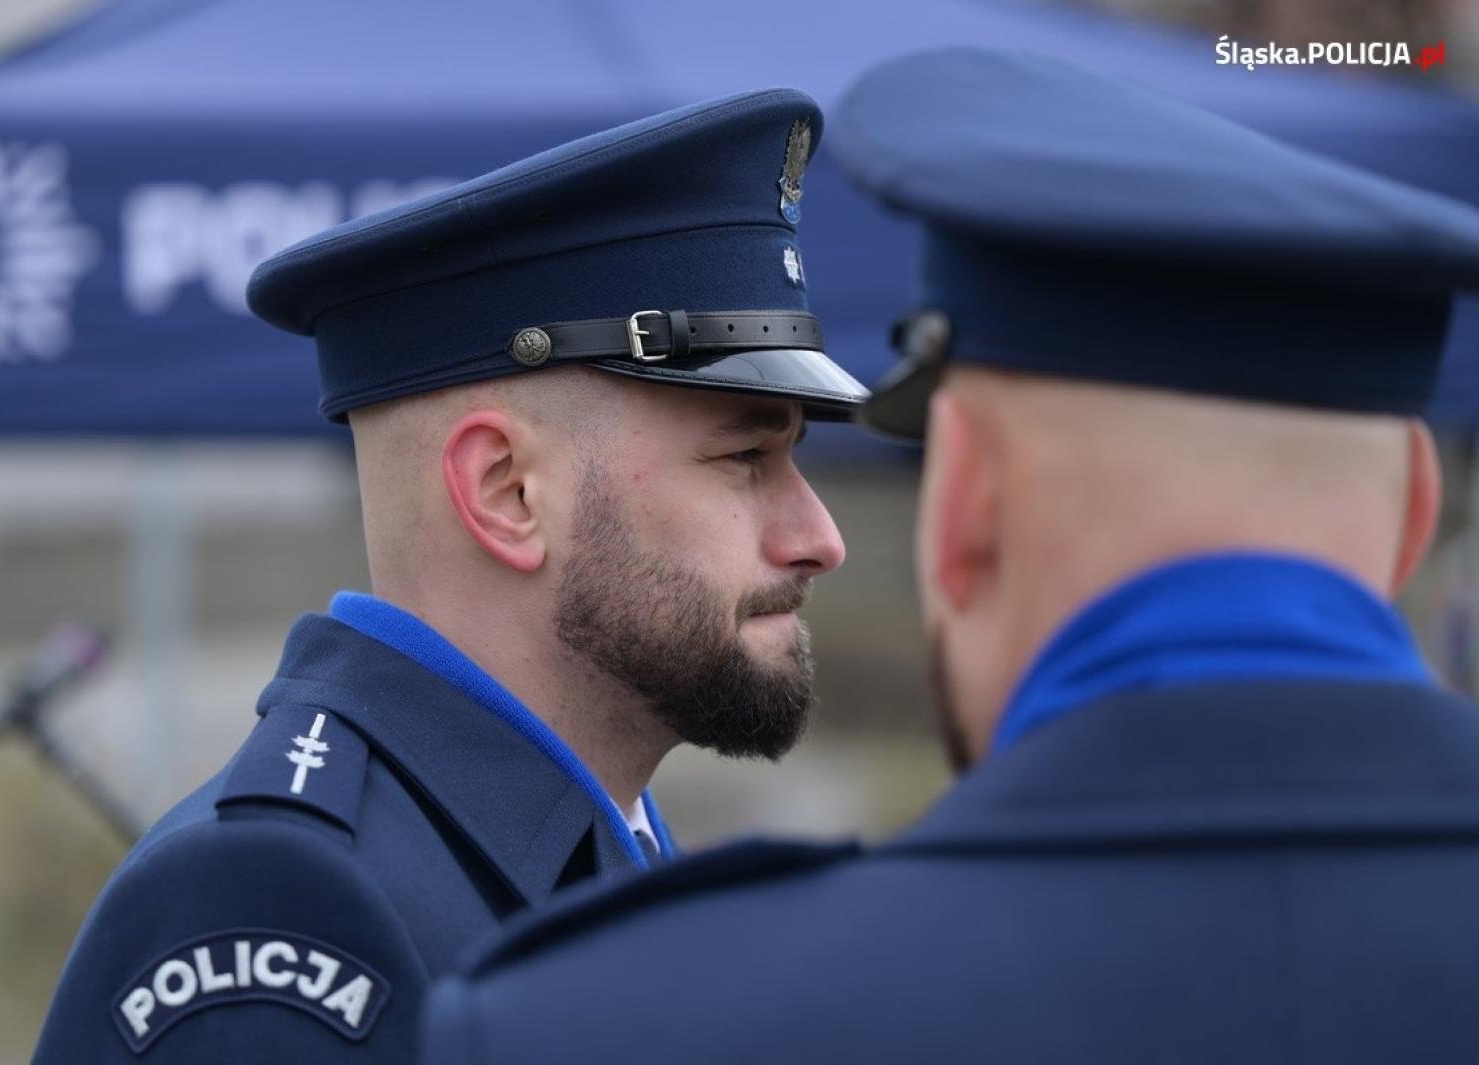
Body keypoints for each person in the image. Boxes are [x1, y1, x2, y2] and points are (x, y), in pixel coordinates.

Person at [418, 47, 1479, 1065]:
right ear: (1412, 515)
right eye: (744, 458)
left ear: (966, 494)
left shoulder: (607, 1027)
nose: (820, 538)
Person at [31, 88, 866, 1063]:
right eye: (744, 461)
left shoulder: (569, 845)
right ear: (506, 492)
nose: (819, 535)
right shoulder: (282, 908)